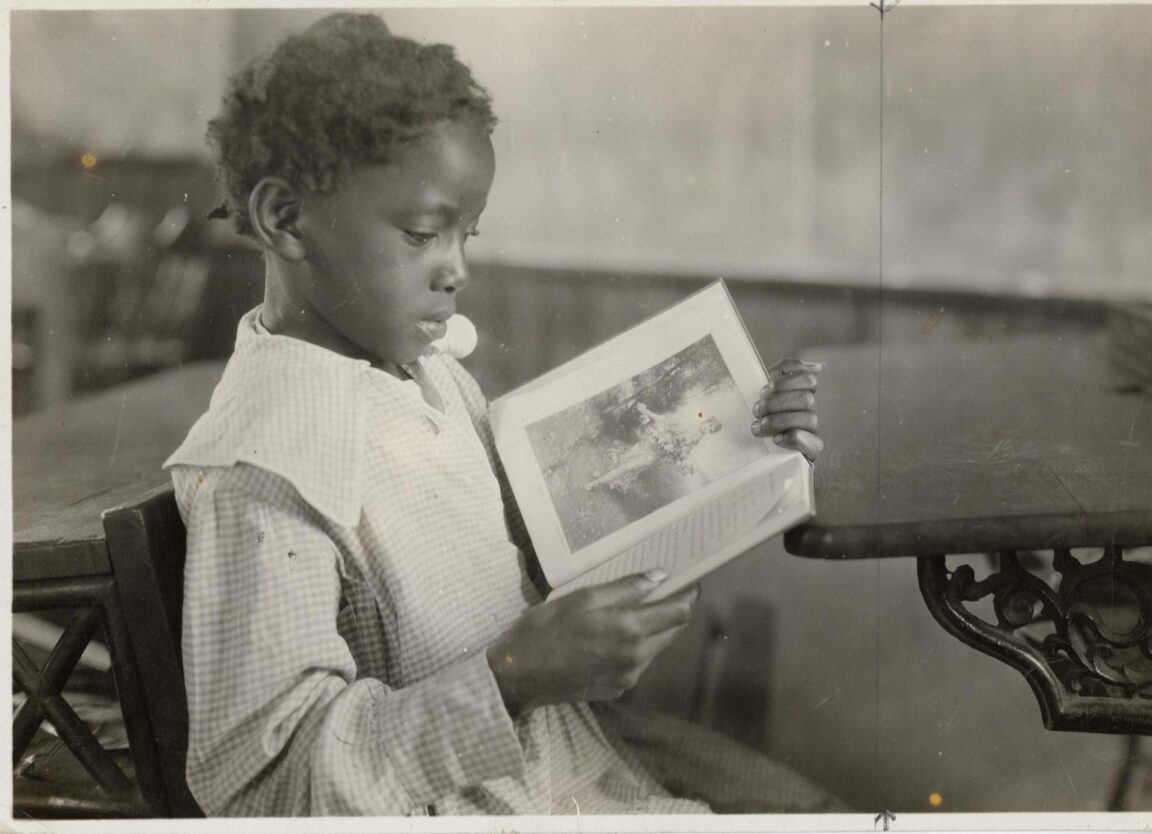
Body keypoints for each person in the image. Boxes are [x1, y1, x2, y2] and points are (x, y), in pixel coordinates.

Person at [166, 12, 831, 817]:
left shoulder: (425, 377)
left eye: (465, 235)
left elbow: (543, 549)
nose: (457, 270)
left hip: (564, 775)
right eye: (421, 234)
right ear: (284, 219)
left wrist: (741, 444)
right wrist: (514, 677)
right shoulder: (267, 466)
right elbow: (265, 786)